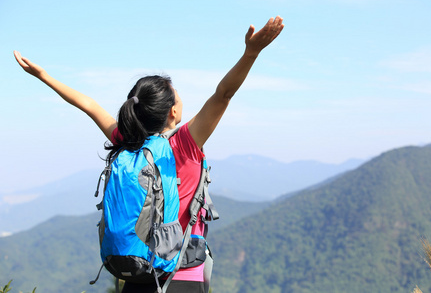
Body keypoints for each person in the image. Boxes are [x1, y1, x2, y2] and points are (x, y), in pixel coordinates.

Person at [14, 16, 284, 293]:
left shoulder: (127, 142)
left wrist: (43, 76)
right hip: (180, 276)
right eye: (178, 97)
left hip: (137, 273)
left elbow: (89, 105)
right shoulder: (185, 144)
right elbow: (223, 94)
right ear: (173, 113)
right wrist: (251, 53)